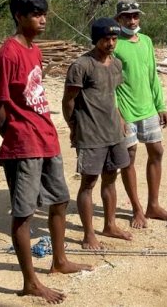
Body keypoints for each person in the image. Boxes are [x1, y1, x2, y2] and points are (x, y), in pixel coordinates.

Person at [0, 0, 89, 304]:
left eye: (44, 13)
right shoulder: (8, 54)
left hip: (47, 138)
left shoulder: (34, 50)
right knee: (24, 213)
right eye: (35, 14)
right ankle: (29, 281)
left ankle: (59, 261)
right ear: (19, 17)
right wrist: (14, 136)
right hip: (24, 145)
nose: (42, 20)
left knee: (59, 199)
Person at [62, 17, 132, 247]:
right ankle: (88, 234)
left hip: (113, 132)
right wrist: (73, 127)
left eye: (114, 39)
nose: (111, 43)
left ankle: (109, 225)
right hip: (90, 134)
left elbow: (112, 96)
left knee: (111, 179)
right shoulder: (81, 66)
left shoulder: (116, 64)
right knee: (88, 183)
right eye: (105, 39)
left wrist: (121, 119)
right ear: (96, 40)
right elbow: (68, 100)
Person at [113, 0, 167, 228]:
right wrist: (117, 114)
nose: (132, 20)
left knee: (157, 151)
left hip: (148, 107)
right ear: (118, 19)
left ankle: (153, 205)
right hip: (126, 110)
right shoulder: (114, 44)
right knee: (129, 157)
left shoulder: (147, 41)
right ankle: (137, 208)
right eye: (127, 16)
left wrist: (161, 105)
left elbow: (153, 76)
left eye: (135, 15)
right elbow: (110, 83)